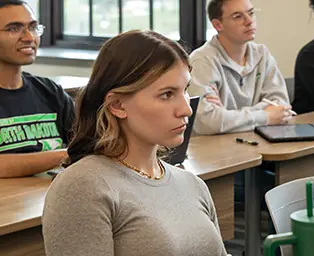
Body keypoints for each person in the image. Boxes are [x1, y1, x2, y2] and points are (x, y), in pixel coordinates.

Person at [42, 30, 227, 256]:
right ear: (118, 105)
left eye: (185, 90)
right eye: (167, 94)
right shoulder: (82, 186)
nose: (186, 109)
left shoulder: (192, 184)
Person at [189, 0, 292, 135]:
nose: (249, 21)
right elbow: (208, 122)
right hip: (214, 150)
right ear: (218, 25)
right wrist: (265, 116)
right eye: (238, 16)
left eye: (251, 13)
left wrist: (226, 116)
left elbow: (281, 108)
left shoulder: (262, 54)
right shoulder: (202, 61)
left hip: (257, 143)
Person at [0, 0, 74, 178]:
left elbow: (88, 141)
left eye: (33, 27)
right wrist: (65, 155)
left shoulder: (50, 92)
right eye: (13, 28)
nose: (29, 37)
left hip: (46, 200)